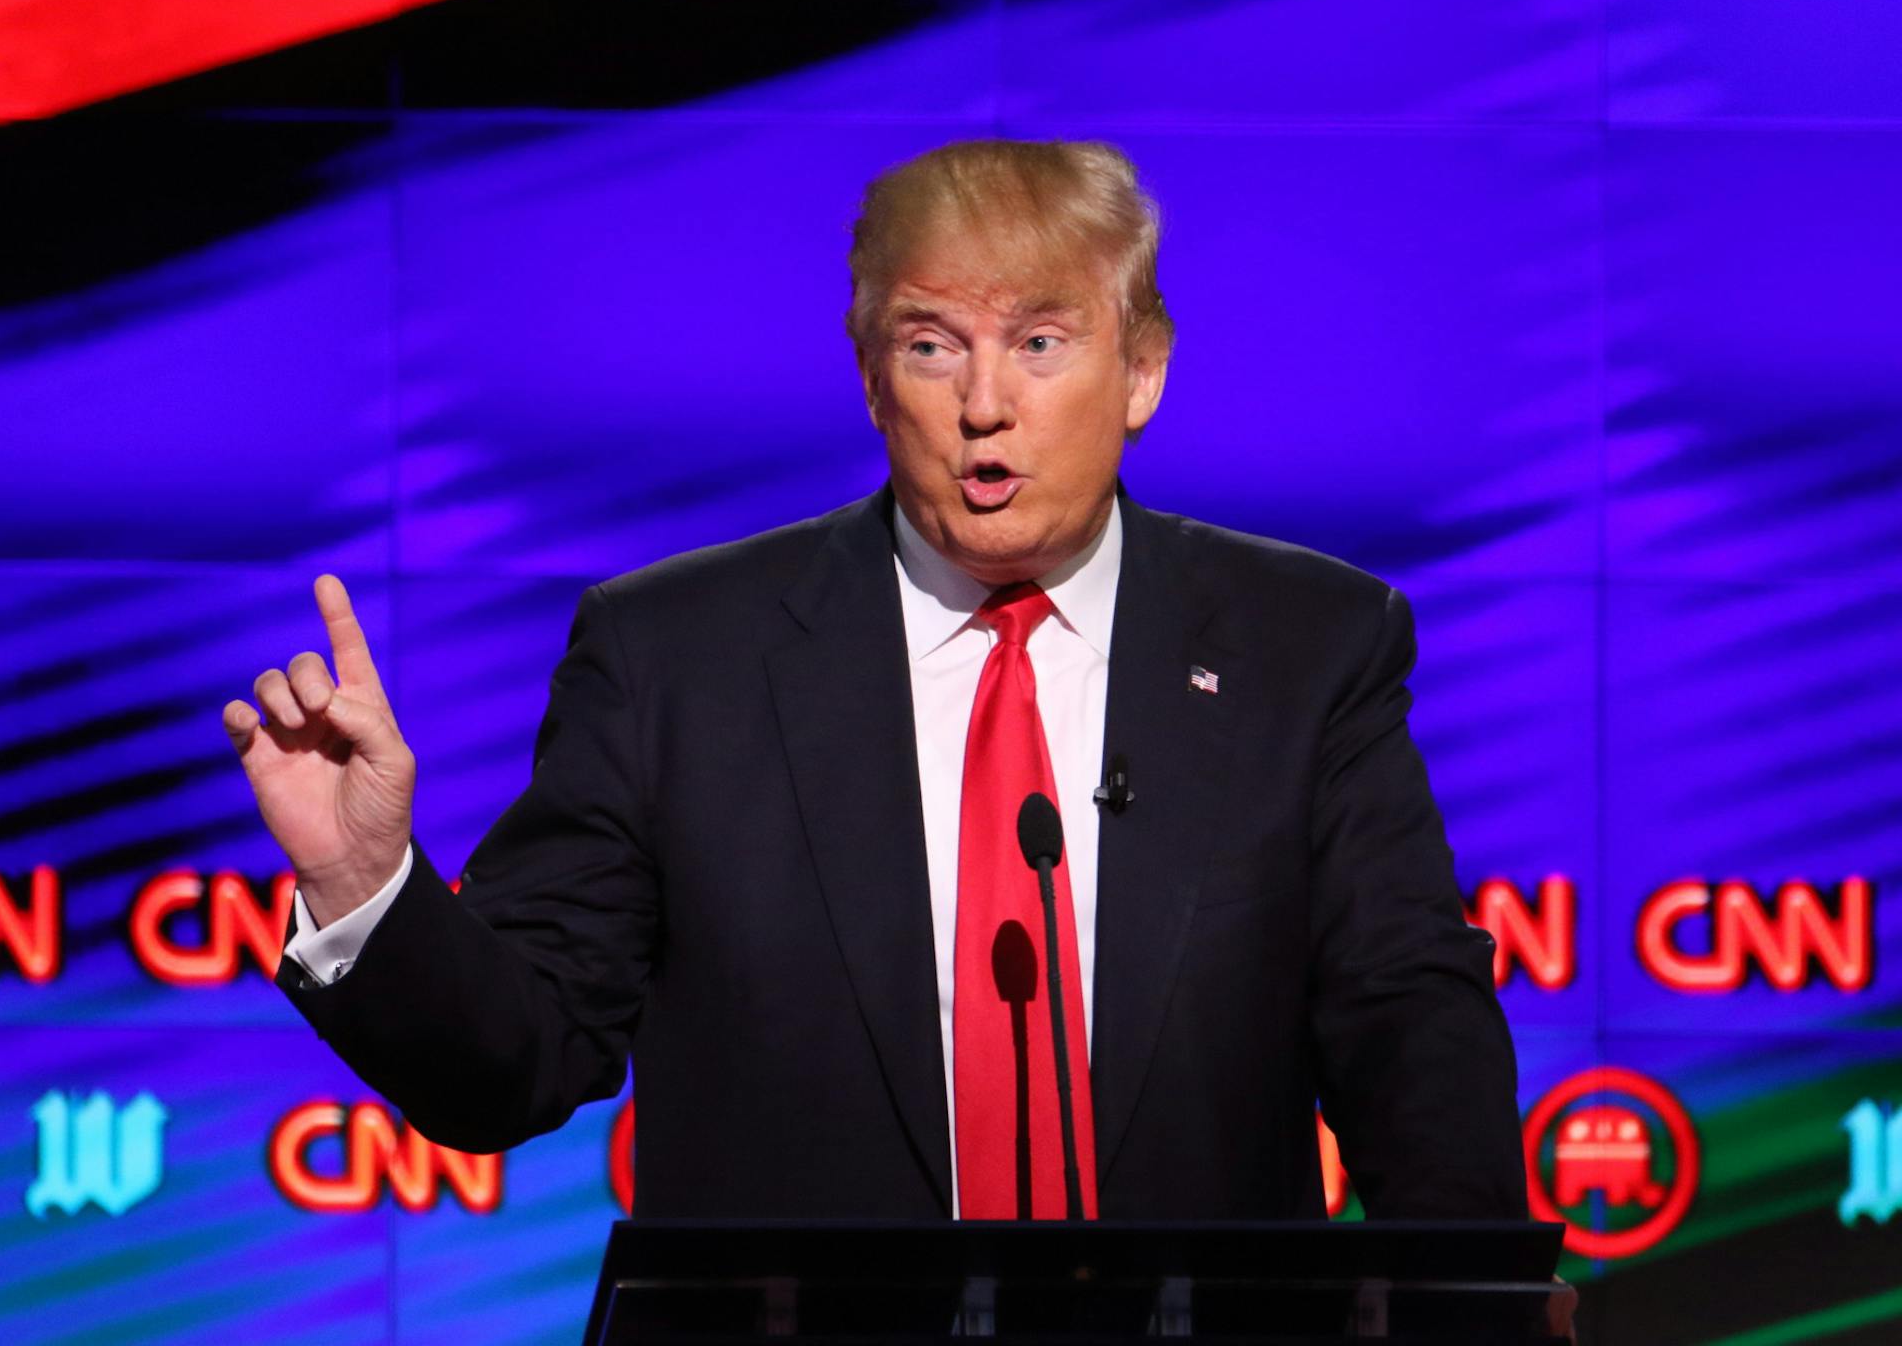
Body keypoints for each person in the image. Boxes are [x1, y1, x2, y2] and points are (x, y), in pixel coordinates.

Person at [223, 139, 1529, 1227]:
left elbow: (1404, 1015)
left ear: (1142, 372)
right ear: (866, 376)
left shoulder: (1306, 645)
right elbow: (512, 1063)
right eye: (930, 346)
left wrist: (1482, 1298)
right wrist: (363, 885)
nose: (983, 405)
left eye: (1039, 341)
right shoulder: (678, 656)